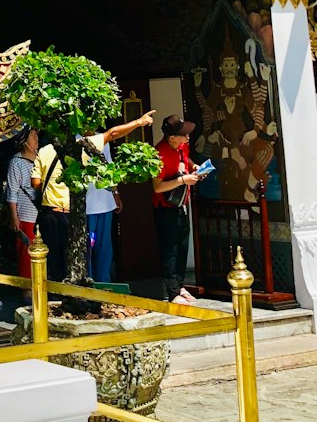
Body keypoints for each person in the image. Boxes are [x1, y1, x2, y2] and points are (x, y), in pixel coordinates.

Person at [84, 111, 156, 285]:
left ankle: (104, 285)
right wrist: (138, 122)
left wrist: (116, 193)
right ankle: (88, 285)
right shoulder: (79, 140)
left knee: (104, 249)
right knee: (87, 248)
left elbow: (109, 168)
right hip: (88, 206)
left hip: (105, 203)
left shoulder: (102, 140)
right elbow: (114, 133)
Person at [151, 114, 204, 304]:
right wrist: (183, 180)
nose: (187, 138)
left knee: (182, 246)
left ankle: (180, 286)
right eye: (183, 135)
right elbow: (157, 186)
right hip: (165, 208)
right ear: (171, 137)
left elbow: (186, 159)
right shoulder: (159, 154)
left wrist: (195, 167)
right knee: (170, 249)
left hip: (182, 204)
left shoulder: (181, 147)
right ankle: (172, 292)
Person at [32, 140, 71, 281]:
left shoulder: (44, 150)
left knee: (53, 256)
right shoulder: (77, 147)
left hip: (50, 212)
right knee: (71, 256)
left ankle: (55, 291)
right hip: (70, 211)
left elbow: (35, 182)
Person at [5, 128, 40, 280]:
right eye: (32, 135)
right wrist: (14, 216)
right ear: (23, 140)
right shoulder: (16, 162)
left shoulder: (41, 158)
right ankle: (27, 290)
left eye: (36, 134)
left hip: (43, 212)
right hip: (26, 213)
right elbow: (12, 191)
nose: (36, 138)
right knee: (27, 253)